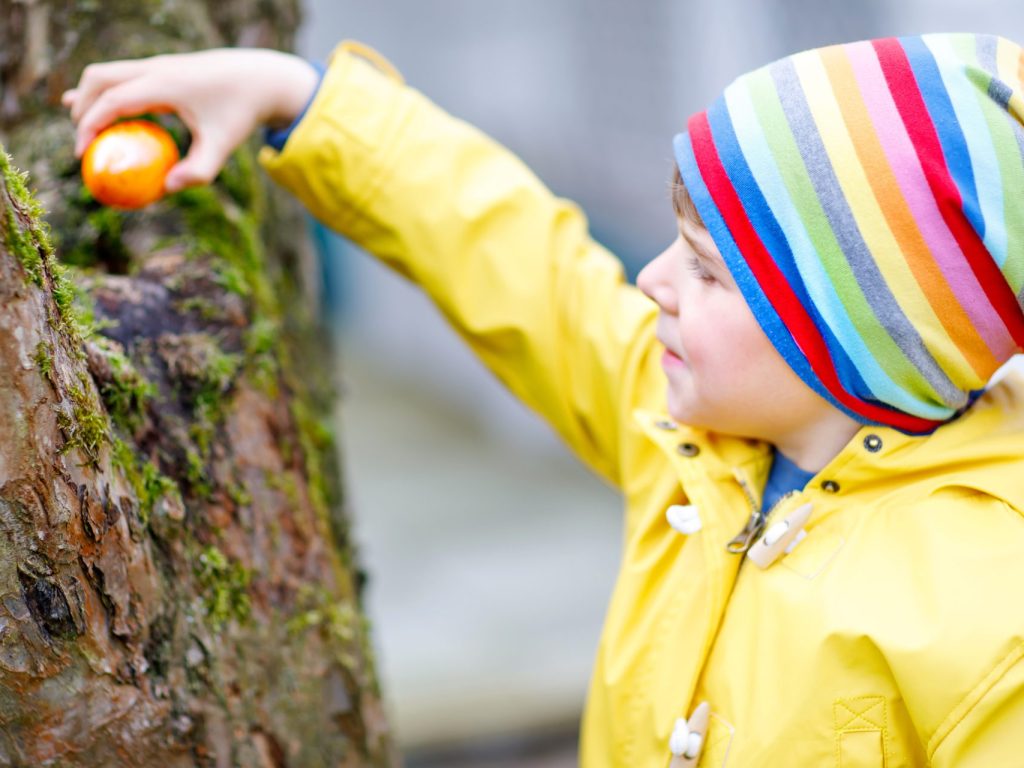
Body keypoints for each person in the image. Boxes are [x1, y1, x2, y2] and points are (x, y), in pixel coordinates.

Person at [63, 33, 1024, 767]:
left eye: (708, 269)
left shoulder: (990, 610)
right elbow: (522, 263)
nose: (652, 280)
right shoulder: (692, 434)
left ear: (853, 335)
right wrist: (299, 99)